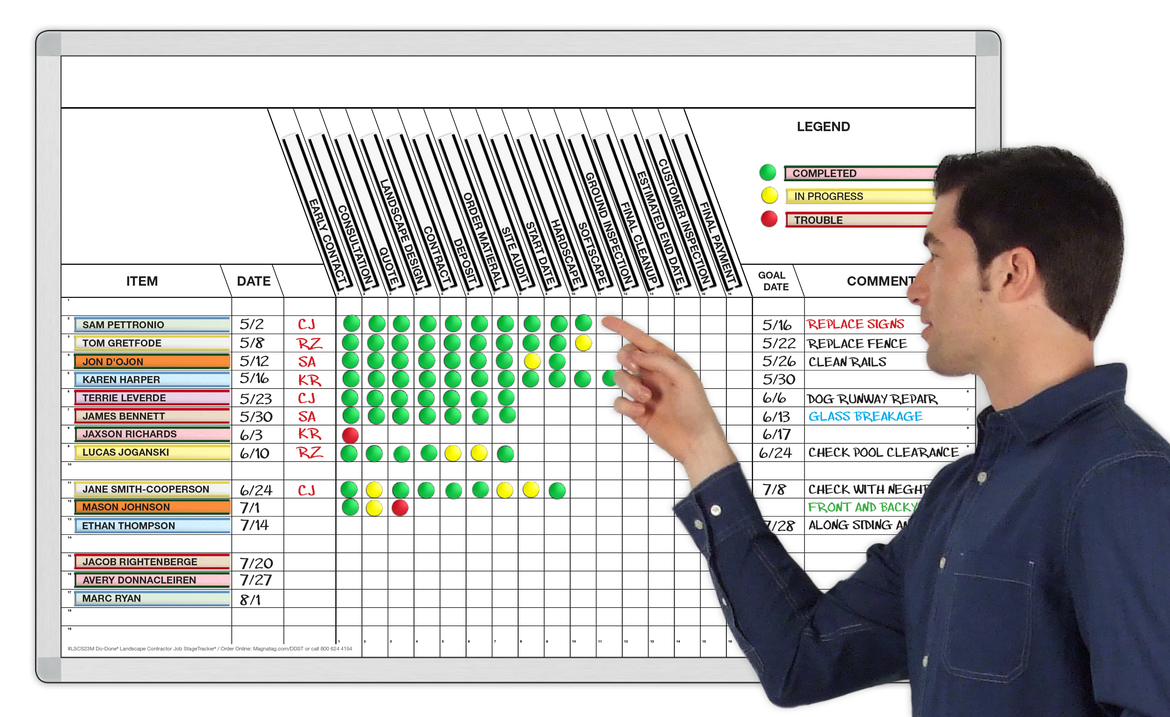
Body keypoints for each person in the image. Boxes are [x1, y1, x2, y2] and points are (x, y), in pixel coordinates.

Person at [602, 143, 1169, 715]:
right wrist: (701, 447)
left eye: (936, 255)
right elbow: (803, 660)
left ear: (1010, 273)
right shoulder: (958, 493)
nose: (915, 288)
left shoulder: (1122, 480)